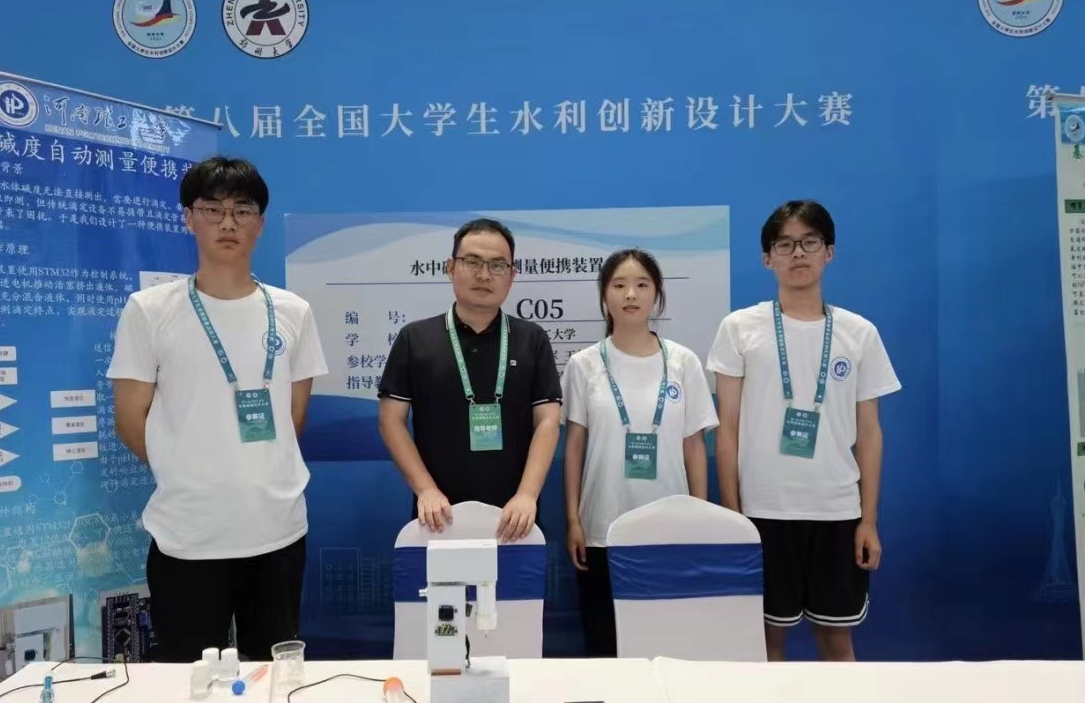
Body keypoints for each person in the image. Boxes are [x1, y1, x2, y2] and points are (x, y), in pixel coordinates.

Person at [108, 156, 327, 663]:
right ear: (189, 218)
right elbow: (129, 420)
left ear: (260, 223)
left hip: (277, 531)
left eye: (242, 211)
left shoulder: (293, 311)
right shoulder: (149, 310)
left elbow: (293, 419)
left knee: (274, 678)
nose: (228, 223)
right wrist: (188, 468)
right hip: (189, 535)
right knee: (188, 682)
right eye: (213, 209)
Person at [707, 201, 900, 662]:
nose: (798, 253)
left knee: (837, 642)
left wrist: (868, 520)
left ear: (828, 252)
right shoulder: (739, 329)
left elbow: (870, 434)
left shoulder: (859, 333)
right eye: (785, 244)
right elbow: (727, 430)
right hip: (762, 512)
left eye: (810, 242)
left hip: (837, 512)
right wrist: (734, 518)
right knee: (765, 644)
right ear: (767, 258)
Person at [562, 250, 717, 657]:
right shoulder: (583, 364)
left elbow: (694, 446)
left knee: (668, 644)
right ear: (604, 295)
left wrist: (699, 515)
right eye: (619, 285)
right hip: (602, 527)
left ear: (657, 295)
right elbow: (574, 446)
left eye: (642, 285)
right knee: (604, 644)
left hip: (670, 529)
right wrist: (574, 519)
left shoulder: (683, 362)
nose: (630, 294)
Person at [377, 218, 561, 542]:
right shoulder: (414, 339)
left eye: (497, 265)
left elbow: (547, 421)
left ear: (512, 275)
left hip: (515, 518)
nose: (484, 275)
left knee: (516, 578)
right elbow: (391, 421)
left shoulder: (532, 339)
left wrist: (527, 495)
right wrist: (425, 489)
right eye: (472, 262)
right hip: (438, 516)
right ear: (450, 268)